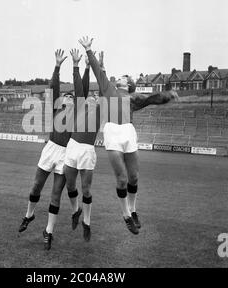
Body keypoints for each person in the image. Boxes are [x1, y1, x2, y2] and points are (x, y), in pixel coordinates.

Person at [78, 36, 179, 235]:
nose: (121, 78)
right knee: (122, 179)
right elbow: (99, 74)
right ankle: (126, 216)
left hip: (128, 132)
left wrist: (168, 95)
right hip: (113, 133)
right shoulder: (108, 91)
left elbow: (152, 98)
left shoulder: (133, 98)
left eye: (124, 78)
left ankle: (133, 211)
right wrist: (89, 50)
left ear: (128, 84)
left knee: (134, 177)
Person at [18, 49, 73, 250]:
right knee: (36, 187)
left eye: (72, 97)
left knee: (56, 194)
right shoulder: (55, 110)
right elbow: (53, 88)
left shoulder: (80, 117)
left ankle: (48, 231)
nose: (68, 97)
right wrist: (57, 66)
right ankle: (29, 215)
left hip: (66, 155)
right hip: (51, 149)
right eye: (66, 96)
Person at [64, 49, 101, 242]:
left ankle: (87, 222)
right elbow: (79, 85)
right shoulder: (79, 105)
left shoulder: (101, 110)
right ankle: (75, 210)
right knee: (70, 184)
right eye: (91, 95)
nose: (92, 96)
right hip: (72, 146)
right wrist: (76, 64)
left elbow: (104, 88)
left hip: (87, 150)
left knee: (86, 189)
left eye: (95, 96)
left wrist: (99, 65)